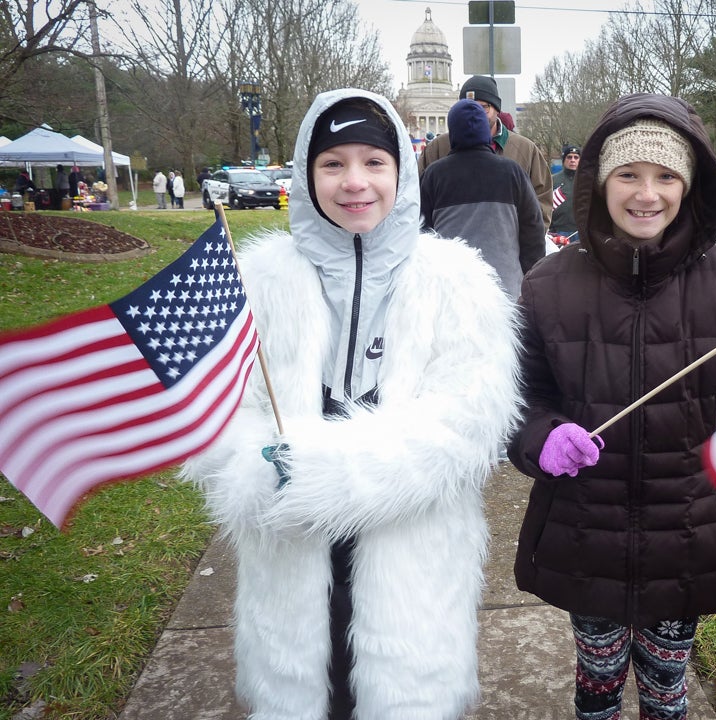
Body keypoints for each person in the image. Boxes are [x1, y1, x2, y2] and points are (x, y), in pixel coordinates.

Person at [181, 88, 522, 719]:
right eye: (333, 163)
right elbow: (218, 413)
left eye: (374, 161)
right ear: (307, 175)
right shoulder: (260, 281)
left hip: (411, 569)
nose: (354, 182)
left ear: (403, 172)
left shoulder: (456, 282)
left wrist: (323, 477)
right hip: (289, 563)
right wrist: (259, 474)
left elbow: (466, 425)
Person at [507, 93, 716, 720]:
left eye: (666, 176)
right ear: (599, 181)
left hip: (687, 540)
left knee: (667, 689)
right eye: (628, 175)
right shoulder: (548, 285)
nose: (647, 194)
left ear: (690, 187)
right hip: (587, 536)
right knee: (599, 681)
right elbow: (521, 403)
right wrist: (543, 437)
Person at [419, 98, 544, 299]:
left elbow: (421, 234)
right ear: (486, 131)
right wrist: (531, 280)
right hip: (506, 291)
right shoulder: (512, 172)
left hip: (450, 292)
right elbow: (533, 231)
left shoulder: (434, 175)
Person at [417, 75, 553, 228]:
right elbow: (417, 201)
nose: (475, 114)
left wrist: (525, 245)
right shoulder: (436, 149)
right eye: (469, 106)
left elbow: (542, 201)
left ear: (497, 109)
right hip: (450, 248)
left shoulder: (525, 150)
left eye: (483, 107)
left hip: (506, 248)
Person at [549, 144, 580, 238]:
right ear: (564, 160)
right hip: (558, 231)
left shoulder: (587, 181)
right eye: (569, 157)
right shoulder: (552, 180)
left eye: (576, 157)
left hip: (580, 231)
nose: (572, 160)